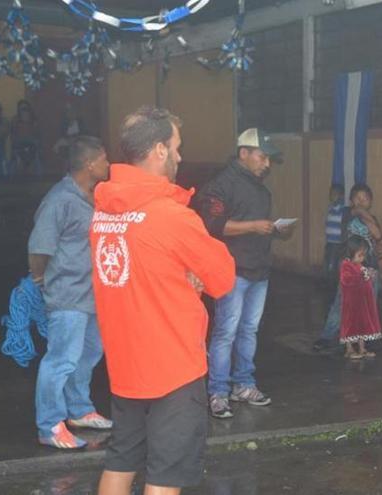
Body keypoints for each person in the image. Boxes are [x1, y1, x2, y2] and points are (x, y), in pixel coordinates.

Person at [92, 106, 236, 495]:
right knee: (165, 477)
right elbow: (222, 277)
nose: (179, 156)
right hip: (173, 367)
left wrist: (182, 276)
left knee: (121, 460)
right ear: (157, 150)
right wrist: (193, 278)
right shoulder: (171, 216)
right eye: (175, 147)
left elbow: (142, 273)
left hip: (125, 366)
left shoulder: (103, 211)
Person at [194, 128, 294, 420]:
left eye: (269, 160)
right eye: (263, 157)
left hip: (259, 269)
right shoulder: (220, 186)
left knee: (249, 330)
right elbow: (212, 225)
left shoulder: (261, 188)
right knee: (226, 331)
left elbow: (260, 227)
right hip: (232, 271)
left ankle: (244, 385)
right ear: (244, 153)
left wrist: (277, 231)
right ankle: (218, 392)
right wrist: (253, 226)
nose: (267, 164)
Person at [29, 136, 111, 449]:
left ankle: (79, 410)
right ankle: (49, 425)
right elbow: (39, 248)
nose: (108, 164)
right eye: (103, 159)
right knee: (61, 360)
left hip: (93, 294)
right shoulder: (59, 199)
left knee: (89, 353)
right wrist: (40, 279)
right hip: (67, 295)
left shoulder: (93, 195)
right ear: (90, 164)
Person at [313, 184, 382, 351]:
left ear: (371, 201)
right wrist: (362, 212)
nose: (361, 201)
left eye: (365, 198)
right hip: (350, 269)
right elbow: (357, 212)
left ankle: (366, 338)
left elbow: (378, 235)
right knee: (341, 303)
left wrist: (368, 218)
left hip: (369, 268)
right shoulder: (347, 214)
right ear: (351, 201)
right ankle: (327, 336)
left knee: (368, 305)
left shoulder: (371, 218)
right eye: (357, 198)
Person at [340, 235, 382, 359]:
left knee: (362, 324)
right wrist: (363, 275)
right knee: (350, 324)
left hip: (363, 303)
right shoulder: (346, 265)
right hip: (352, 303)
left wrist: (369, 275)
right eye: (360, 255)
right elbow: (347, 280)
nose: (362, 258)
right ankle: (349, 349)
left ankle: (362, 348)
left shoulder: (359, 265)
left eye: (364, 255)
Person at [324, 183, 346, 291]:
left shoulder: (342, 210)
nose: (332, 196)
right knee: (328, 263)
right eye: (330, 194)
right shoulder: (330, 208)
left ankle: (333, 287)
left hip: (337, 243)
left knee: (333, 265)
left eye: (335, 194)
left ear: (341, 196)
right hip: (329, 241)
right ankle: (329, 284)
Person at [11, 99, 41, 175]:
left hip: (32, 147)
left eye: (26, 108)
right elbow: (14, 137)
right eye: (22, 109)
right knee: (16, 157)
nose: (24, 111)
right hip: (19, 146)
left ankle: (38, 179)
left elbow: (37, 137)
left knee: (36, 156)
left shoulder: (34, 121)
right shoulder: (15, 120)